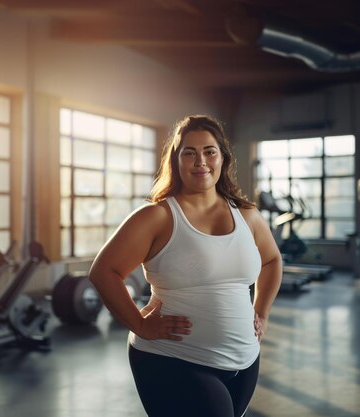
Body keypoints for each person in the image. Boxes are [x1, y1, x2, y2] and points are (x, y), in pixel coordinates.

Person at [89, 115, 282, 417]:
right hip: (174, 359)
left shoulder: (247, 215)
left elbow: (272, 260)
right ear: (175, 161)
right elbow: (103, 272)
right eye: (189, 152)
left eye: (209, 151)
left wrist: (262, 311)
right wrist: (138, 324)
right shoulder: (157, 216)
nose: (200, 161)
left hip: (245, 361)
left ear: (223, 158)